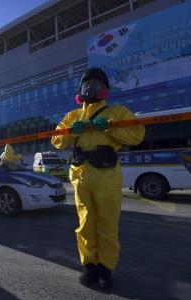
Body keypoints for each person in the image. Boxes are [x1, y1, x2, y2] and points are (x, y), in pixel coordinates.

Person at [51, 68, 145, 290]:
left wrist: (112, 129)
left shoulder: (118, 112)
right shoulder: (73, 116)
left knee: (107, 225)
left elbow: (137, 135)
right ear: (80, 91)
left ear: (105, 89)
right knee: (85, 225)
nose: (90, 88)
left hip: (107, 176)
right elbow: (56, 140)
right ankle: (90, 266)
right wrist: (72, 132)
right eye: (86, 85)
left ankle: (105, 269)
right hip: (81, 176)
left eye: (96, 84)